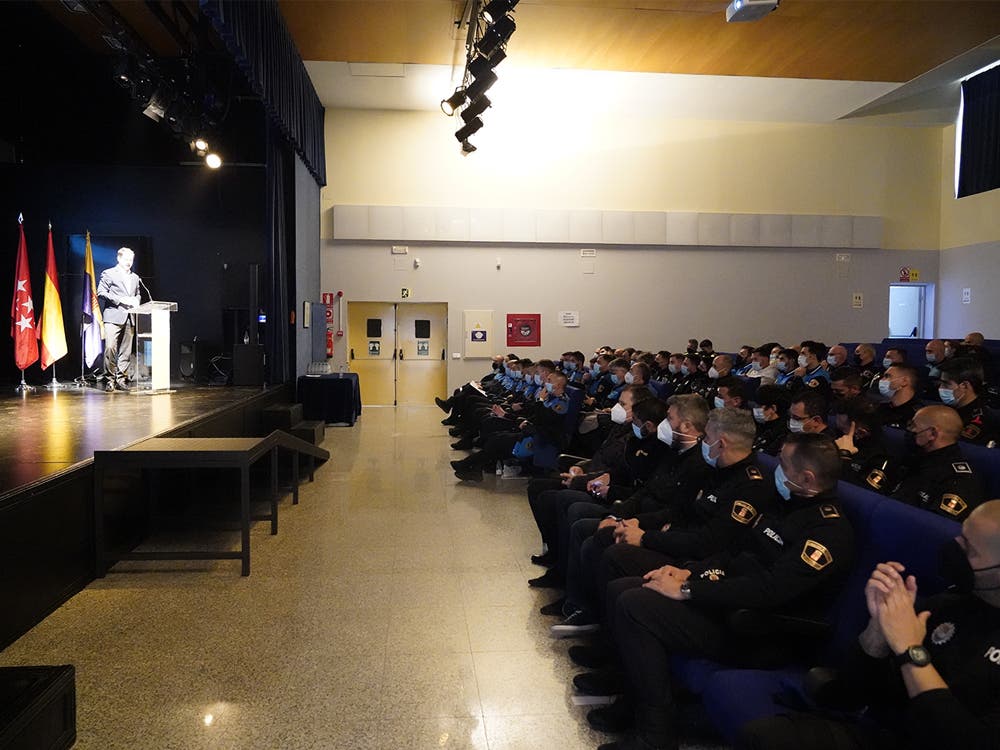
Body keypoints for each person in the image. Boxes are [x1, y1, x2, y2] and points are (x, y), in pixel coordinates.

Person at [592, 433, 855, 750]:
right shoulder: (784, 501)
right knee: (628, 586)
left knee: (635, 604)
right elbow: (734, 552)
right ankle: (631, 699)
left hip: (758, 628)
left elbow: (769, 590)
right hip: (726, 600)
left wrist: (688, 589)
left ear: (807, 477)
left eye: (783, 464)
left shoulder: (829, 532)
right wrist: (689, 571)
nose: (776, 470)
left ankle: (655, 734)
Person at [738, 500, 1000, 750]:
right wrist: (879, 629)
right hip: (884, 732)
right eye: (960, 535)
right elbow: (853, 694)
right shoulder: (950, 602)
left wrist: (910, 650)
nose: (954, 548)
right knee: (764, 736)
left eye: (968, 548)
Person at [888, 406, 986, 521]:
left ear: (932, 434)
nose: (909, 430)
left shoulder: (959, 480)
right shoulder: (915, 457)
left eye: (913, 426)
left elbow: (934, 527)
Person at [97, 246, 141, 392]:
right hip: (113, 316)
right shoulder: (109, 273)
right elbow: (101, 292)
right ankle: (109, 379)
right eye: (126, 259)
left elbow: (138, 294)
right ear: (119, 258)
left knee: (126, 351)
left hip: (130, 317)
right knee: (110, 347)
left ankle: (121, 379)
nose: (129, 262)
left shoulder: (135, 277)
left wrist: (136, 300)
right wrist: (121, 299)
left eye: (131, 260)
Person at [937, 357, 999, 446]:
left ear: (965, 386)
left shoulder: (980, 420)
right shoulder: (945, 409)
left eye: (946, 384)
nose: (940, 388)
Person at [876, 364, 921, 429]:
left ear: (904, 381)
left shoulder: (918, 415)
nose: (882, 380)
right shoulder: (881, 408)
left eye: (887, 376)